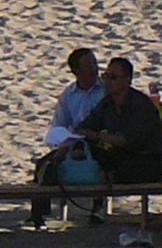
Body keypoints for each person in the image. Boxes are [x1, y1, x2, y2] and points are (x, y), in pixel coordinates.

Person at [27, 47, 106, 225]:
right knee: (44, 165)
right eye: (88, 65)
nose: (94, 68)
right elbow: (59, 125)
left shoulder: (104, 90)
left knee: (102, 161)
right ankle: (39, 214)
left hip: (99, 140)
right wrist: (64, 140)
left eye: (95, 63)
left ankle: (98, 209)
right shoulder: (69, 95)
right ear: (76, 71)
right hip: (74, 141)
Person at [77, 56, 162, 184]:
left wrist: (98, 136)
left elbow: (130, 141)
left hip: (148, 160)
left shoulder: (140, 104)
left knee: (122, 171)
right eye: (105, 76)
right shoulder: (107, 103)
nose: (107, 81)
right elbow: (85, 126)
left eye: (113, 78)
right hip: (121, 156)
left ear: (127, 81)